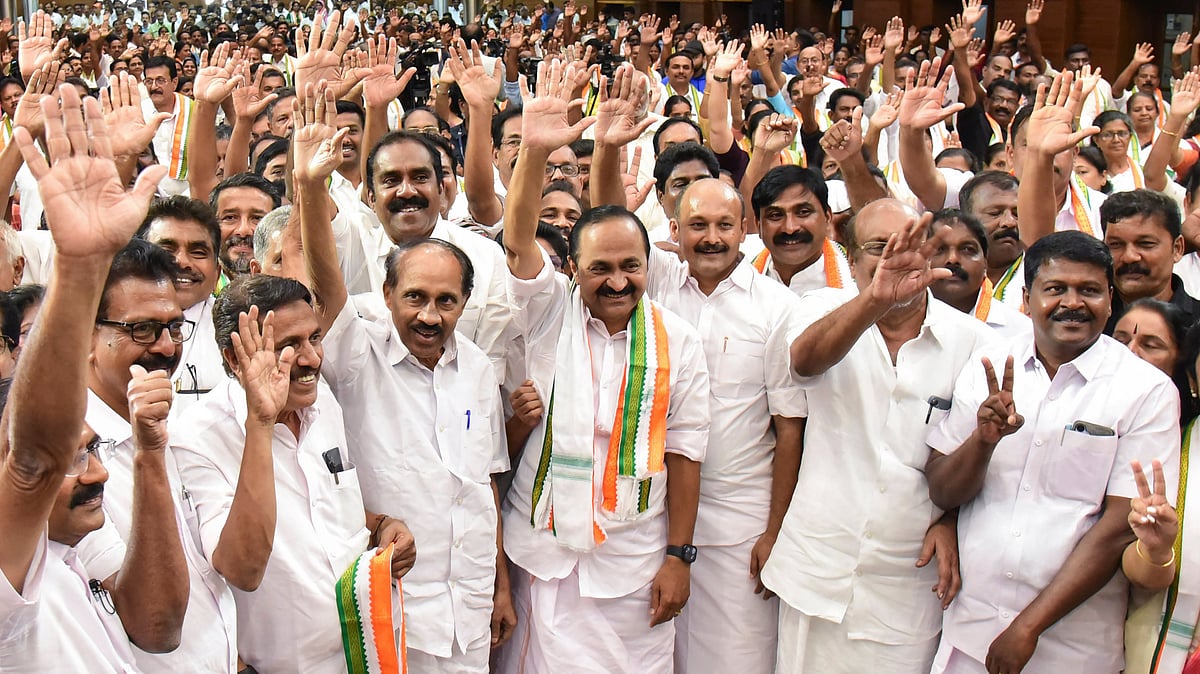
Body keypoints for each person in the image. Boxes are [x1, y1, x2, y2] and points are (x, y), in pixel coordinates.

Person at [498, 61, 710, 673]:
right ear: (572, 269)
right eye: (599, 269)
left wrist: (679, 556)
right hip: (541, 553)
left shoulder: (678, 339)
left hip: (634, 560)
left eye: (630, 266)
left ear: (651, 264)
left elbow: (687, 451)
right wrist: (536, 151)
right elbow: (517, 244)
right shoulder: (546, 315)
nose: (617, 281)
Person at [295, 83, 513, 671]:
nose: (428, 314)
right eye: (414, 296)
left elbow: (483, 485)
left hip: (466, 616)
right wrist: (310, 186)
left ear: (465, 303)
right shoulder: (357, 347)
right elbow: (324, 274)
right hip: (386, 612)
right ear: (386, 294)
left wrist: (499, 586)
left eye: (445, 300)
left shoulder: (476, 369)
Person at [925, 230, 1181, 673]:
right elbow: (943, 491)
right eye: (1056, 289)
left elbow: (1120, 527)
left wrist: (1029, 627)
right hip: (970, 634)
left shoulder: (1147, 390)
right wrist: (982, 443)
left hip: (1073, 648)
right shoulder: (989, 366)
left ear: (1110, 297)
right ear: (1026, 297)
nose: (1072, 303)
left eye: (1089, 290)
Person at [0, 81, 188, 671]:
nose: (99, 471)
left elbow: (160, 630)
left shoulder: (64, 560)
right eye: (78, 458)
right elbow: (33, 461)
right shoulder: (12, 579)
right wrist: (80, 270)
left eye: (89, 452)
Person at [764, 199, 992, 672]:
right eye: (877, 246)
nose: (895, 256)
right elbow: (804, 362)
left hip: (906, 580)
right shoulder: (823, 306)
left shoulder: (972, 340)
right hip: (817, 568)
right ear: (849, 259)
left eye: (908, 244)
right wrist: (876, 299)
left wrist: (949, 519)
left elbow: (970, 458)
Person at [172, 274, 417, 672]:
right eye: (289, 346)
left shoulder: (323, 407)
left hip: (363, 655)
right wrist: (261, 423)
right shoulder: (197, 439)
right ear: (234, 359)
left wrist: (383, 526)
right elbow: (241, 570)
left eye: (314, 339)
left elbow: (326, 518)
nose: (312, 360)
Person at [643, 176, 807, 674]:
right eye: (697, 225)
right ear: (675, 229)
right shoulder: (657, 287)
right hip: (652, 520)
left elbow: (789, 428)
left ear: (744, 230)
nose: (711, 237)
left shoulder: (779, 309)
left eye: (723, 225)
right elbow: (609, 227)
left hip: (741, 526)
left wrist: (774, 530)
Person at [138, 196, 227, 409]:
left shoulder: (240, 332)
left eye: (198, 252)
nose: (182, 262)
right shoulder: (105, 328)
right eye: (167, 250)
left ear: (217, 273)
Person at [1101, 188, 1198, 333]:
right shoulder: (1089, 321)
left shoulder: (1196, 323)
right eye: (1116, 245)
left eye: (1145, 244)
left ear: (1177, 248)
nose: (1129, 257)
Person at [928, 208, 1030, 338]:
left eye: (967, 249)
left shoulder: (1022, 332)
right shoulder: (899, 326)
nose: (952, 259)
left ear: (985, 264)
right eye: (939, 249)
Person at [141, 55, 195, 196]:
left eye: (160, 81)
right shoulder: (138, 112)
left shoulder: (193, 110)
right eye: (148, 81)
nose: (154, 87)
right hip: (150, 193)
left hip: (189, 193)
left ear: (174, 82)